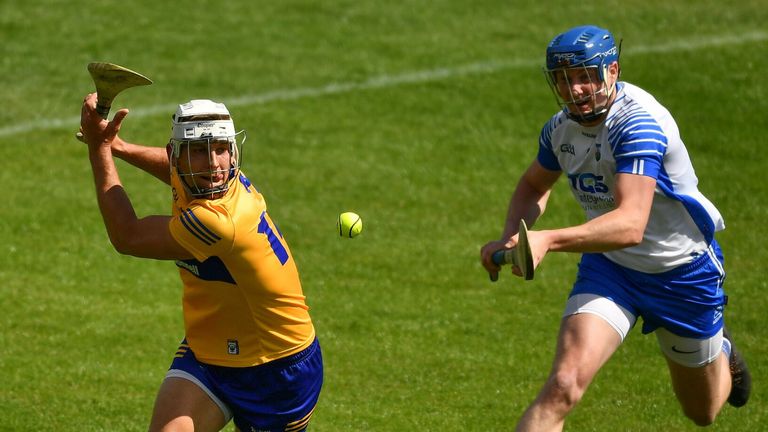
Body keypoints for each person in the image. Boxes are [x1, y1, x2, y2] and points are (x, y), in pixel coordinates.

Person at [480, 25, 751, 430]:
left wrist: (548, 239)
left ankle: (721, 349)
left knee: (703, 411)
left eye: (586, 76)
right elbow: (534, 183)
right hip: (610, 268)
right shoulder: (560, 129)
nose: (576, 90)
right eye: (565, 79)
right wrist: (510, 238)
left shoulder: (636, 125)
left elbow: (630, 225)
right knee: (563, 385)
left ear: (613, 70)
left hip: (682, 271)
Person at [79, 94, 323, 432]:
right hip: (209, 351)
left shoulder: (220, 221)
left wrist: (98, 149)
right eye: (198, 150)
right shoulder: (213, 181)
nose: (213, 163)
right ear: (175, 155)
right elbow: (177, 173)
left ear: (232, 151)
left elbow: (128, 236)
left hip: (277, 367)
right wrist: (117, 145)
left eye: (220, 148)